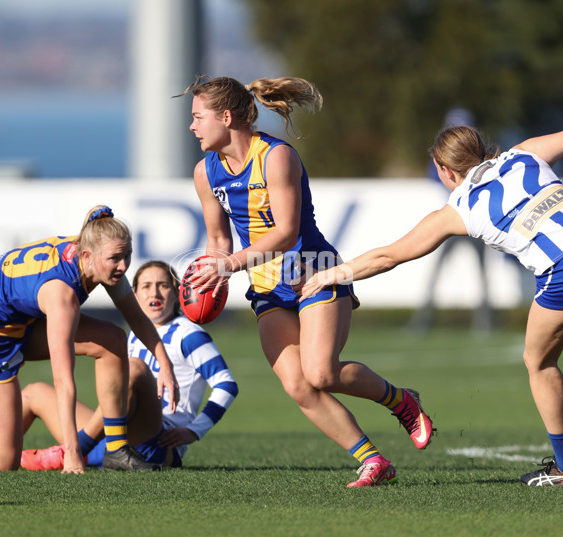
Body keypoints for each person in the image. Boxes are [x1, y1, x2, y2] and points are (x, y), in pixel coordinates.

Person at [178, 75, 435, 488]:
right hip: (265, 283)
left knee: (321, 373)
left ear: (225, 117)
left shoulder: (276, 157)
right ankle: (373, 462)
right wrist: (209, 275)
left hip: (313, 271)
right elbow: (218, 240)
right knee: (298, 385)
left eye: (197, 116)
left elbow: (285, 231)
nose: (191, 126)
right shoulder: (204, 173)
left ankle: (401, 400)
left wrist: (229, 266)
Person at [300, 126, 563, 487]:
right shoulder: (526, 153)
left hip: (559, 273)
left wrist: (329, 275)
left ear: (444, 170)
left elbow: (387, 256)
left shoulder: (460, 209)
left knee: (540, 362)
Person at [0, 205, 178, 473]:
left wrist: (164, 363)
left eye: (128, 255)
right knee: (1, 462)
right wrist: (73, 453)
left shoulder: (95, 250)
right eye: (115, 258)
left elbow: (136, 318)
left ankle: (116, 450)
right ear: (87, 255)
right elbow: (63, 380)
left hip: (21, 320)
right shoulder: (62, 296)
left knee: (112, 340)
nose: (123, 266)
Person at [18, 260, 238, 470]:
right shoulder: (135, 335)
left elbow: (226, 384)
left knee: (133, 368)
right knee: (33, 392)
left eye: (163, 285)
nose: (155, 293)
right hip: (115, 437)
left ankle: (76, 449)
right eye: (146, 286)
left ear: (177, 293)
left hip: (156, 442)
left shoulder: (188, 334)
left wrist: (194, 431)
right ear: (135, 295)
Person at [408, 108, 493, 332]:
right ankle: (423, 321)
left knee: (481, 273)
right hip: (454, 220)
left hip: (472, 222)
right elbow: (435, 178)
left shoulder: (478, 157)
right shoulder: (445, 156)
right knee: (439, 271)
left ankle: (485, 323)